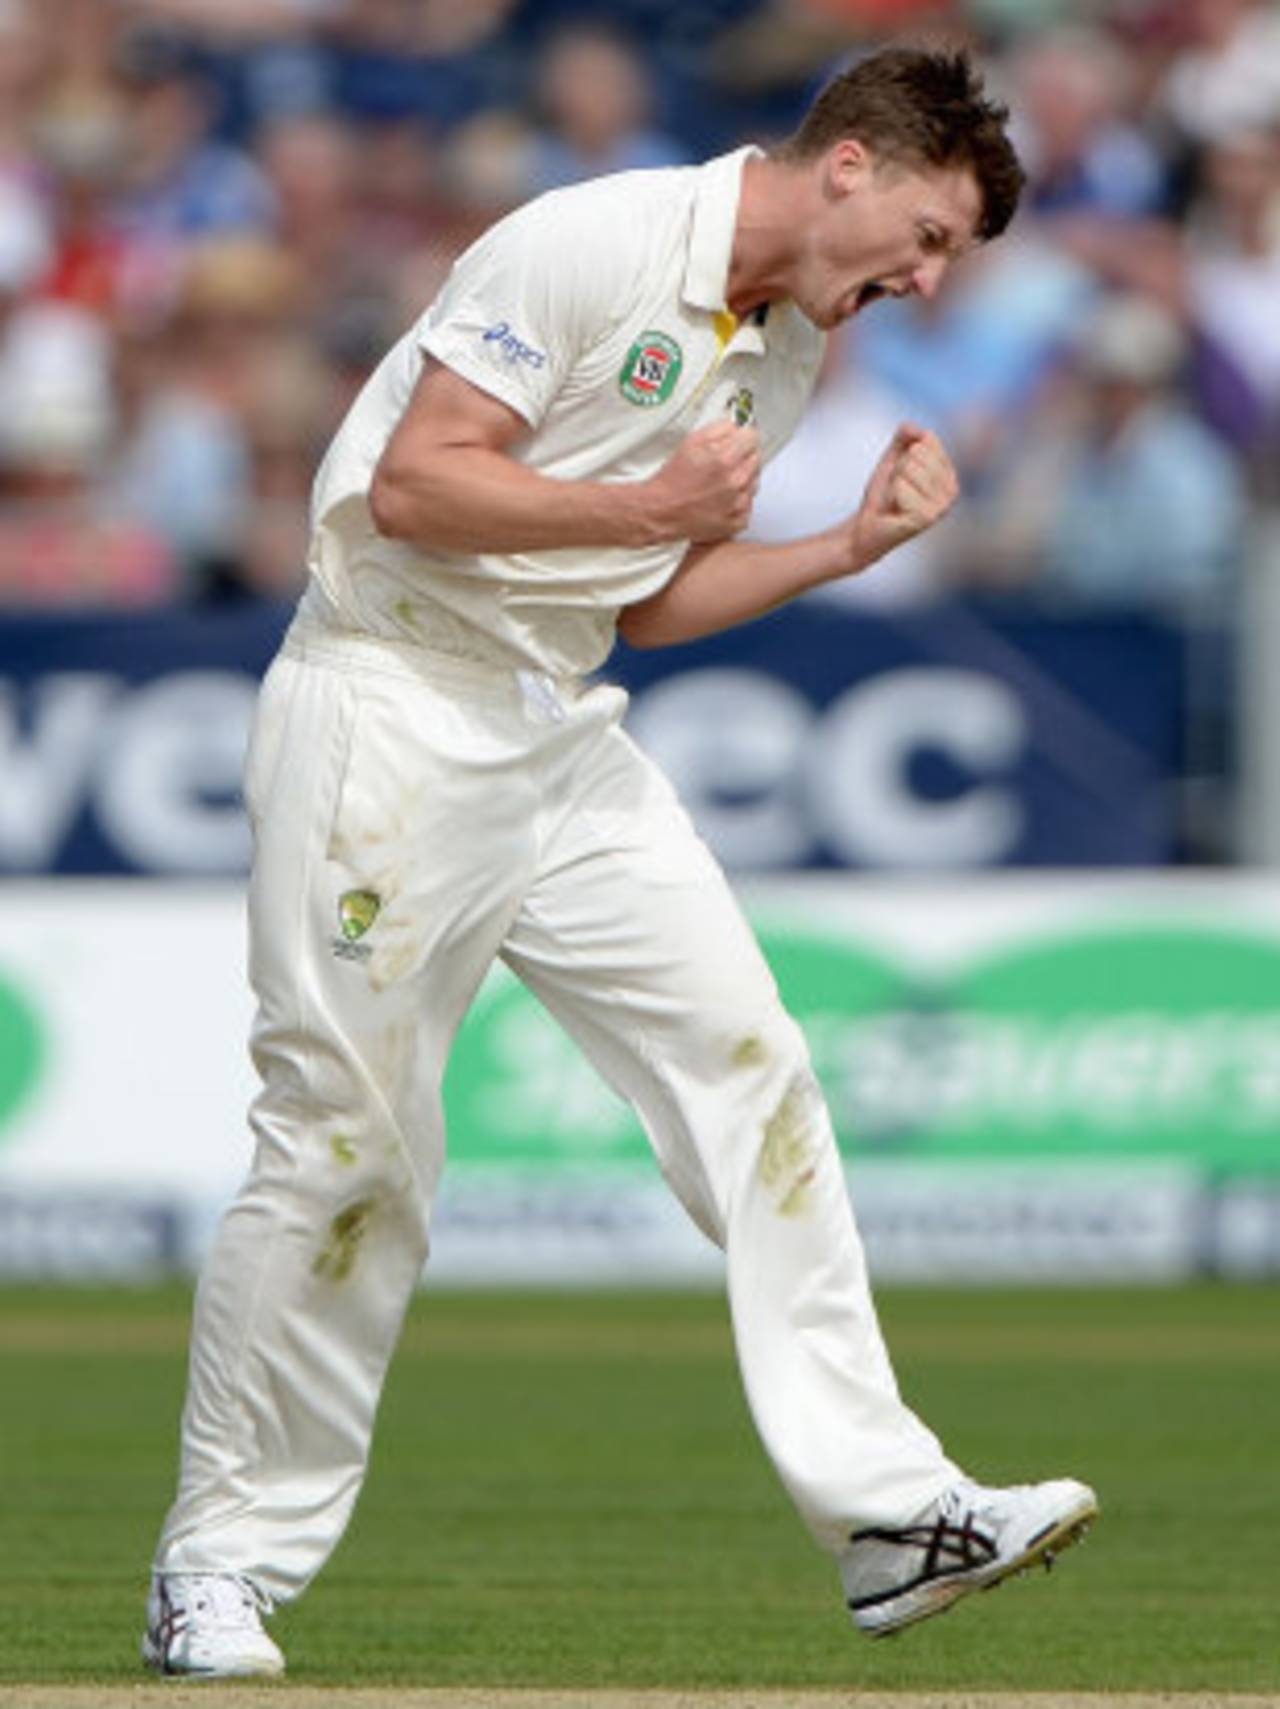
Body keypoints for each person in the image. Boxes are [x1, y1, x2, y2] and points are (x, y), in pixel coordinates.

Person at [142, 46, 1098, 1678]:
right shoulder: (594, 240)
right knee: (350, 1151)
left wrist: (844, 548)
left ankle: (890, 1519)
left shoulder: (784, 348)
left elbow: (644, 600)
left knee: (757, 1072)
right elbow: (416, 485)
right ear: (852, 165)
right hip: (388, 695)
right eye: (928, 237)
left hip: (557, 726)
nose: (927, 282)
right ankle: (213, 1568)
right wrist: (647, 498)